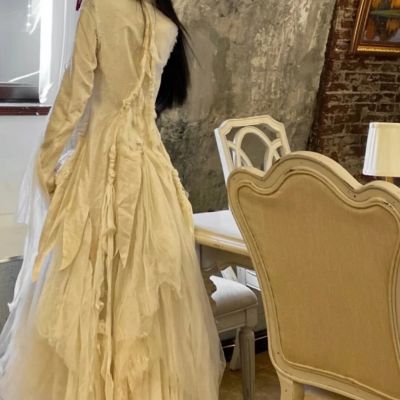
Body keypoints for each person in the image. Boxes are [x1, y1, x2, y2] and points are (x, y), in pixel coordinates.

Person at [0, 0, 225, 398]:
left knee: (87, 284)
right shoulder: (166, 22)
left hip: (99, 164)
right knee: (146, 296)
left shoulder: (100, 8)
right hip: (150, 170)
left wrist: (45, 164)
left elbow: (74, 96)